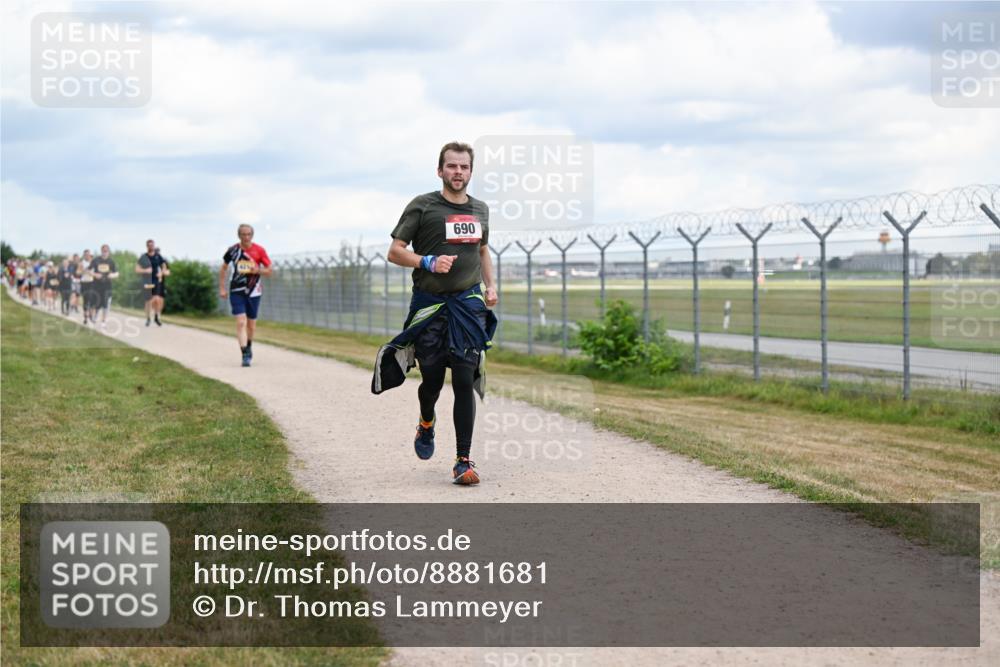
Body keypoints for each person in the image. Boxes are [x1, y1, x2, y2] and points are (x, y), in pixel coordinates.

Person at [378, 141, 498, 486]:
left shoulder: (480, 210)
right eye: (452, 166)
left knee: (463, 378)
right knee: (431, 381)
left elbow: (483, 250)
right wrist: (427, 261)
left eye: (464, 167)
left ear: (470, 171)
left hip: (468, 305)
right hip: (431, 305)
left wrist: (490, 286)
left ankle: (463, 460)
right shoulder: (423, 206)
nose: (458, 172)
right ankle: (426, 422)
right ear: (440, 170)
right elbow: (394, 252)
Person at [219, 224, 273, 367]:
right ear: (239, 235)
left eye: (248, 234)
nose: (246, 237)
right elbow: (223, 268)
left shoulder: (259, 250)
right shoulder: (233, 250)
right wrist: (222, 288)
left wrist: (257, 270)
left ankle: (249, 345)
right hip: (236, 290)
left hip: (254, 291)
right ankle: (245, 354)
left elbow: (269, 270)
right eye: (243, 234)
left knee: (251, 325)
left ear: (252, 235)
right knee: (241, 322)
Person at [136, 240, 169, 326]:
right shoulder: (143, 257)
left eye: (152, 245)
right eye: (149, 245)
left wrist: (161, 273)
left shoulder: (158, 256)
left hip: (156, 281)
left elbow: (164, 266)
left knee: (157, 299)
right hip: (147, 281)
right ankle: (148, 318)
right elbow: (137, 269)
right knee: (148, 301)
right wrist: (145, 270)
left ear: (154, 246)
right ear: (147, 246)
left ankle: (156, 317)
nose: (151, 247)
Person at [90, 245, 119, 327]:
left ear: (108, 251)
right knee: (96, 303)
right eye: (103, 251)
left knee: (106, 304)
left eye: (106, 251)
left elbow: (117, 273)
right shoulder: (96, 260)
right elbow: (89, 270)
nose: (105, 252)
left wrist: (112, 275)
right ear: (101, 251)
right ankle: (95, 316)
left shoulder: (111, 261)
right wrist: (95, 274)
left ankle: (104, 321)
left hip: (107, 285)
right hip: (96, 285)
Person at [78, 249, 96, 323]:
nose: (87, 256)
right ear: (84, 255)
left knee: (92, 299)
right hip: (84, 283)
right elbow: (78, 272)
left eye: (88, 254)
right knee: (85, 300)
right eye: (85, 255)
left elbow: (96, 272)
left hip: (91, 282)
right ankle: (85, 317)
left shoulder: (93, 263)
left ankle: (91, 315)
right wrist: (82, 271)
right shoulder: (81, 263)